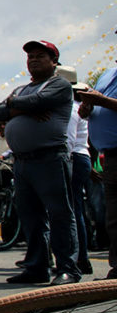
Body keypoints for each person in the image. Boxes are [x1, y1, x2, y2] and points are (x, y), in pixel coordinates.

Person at [0, 40, 80, 286]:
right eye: (30, 56)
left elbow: (30, 104)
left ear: (54, 61)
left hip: (50, 157)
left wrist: (16, 106)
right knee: (31, 216)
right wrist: (19, 107)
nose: (33, 60)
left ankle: (67, 268)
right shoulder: (22, 89)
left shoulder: (59, 85)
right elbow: (0, 112)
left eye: (40, 56)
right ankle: (36, 266)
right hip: (22, 162)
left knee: (60, 214)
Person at [76, 61, 117, 279]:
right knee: (113, 217)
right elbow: (92, 110)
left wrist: (100, 101)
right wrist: (88, 107)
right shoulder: (108, 74)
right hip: (110, 155)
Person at [58, 66, 94, 275]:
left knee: (72, 209)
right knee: (74, 208)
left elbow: (68, 141)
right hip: (78, 157)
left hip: (74, 157)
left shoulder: (70, 108)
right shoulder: (73, 106)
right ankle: (81, 257)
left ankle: (80, 257)